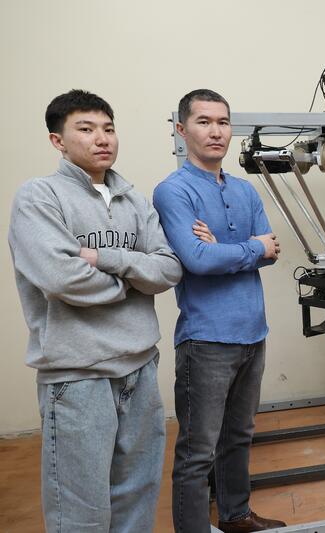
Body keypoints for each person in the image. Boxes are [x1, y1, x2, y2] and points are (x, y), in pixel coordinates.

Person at [8, 89, 182, 532]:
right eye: (85, 129)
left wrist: (106, 260)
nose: (101, 138)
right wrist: (133, 282)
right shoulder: (39, 197)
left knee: (137, 498)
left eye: (108, 128)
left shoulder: (134, 199)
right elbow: (62, 278)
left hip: (140, 368)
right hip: (78, 375)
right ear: (58, 141)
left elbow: (168, 269)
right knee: (80, 512)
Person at [153, 89, 285, 533]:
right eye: (204, 121)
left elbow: (272, 251)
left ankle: (235, 515)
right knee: (198, 450)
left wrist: (226, 249)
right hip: (206, 339)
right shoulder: (173, 191)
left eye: (223, 122)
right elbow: (198, 260)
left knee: (239, 436)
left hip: (253, 332)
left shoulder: (245, 189)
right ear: (181, 129)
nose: (216, 131)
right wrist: (249, 248)